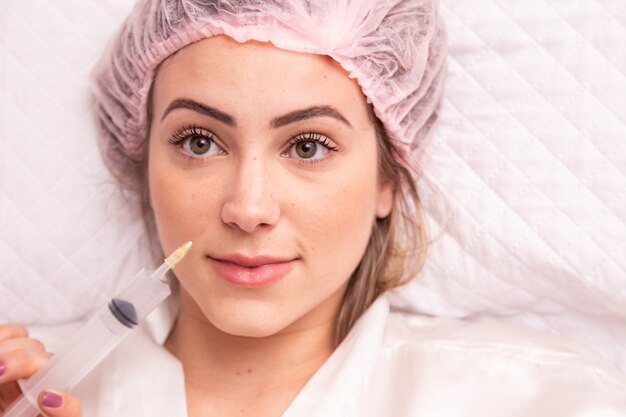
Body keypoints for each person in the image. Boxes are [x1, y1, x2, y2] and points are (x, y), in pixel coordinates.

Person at [1, 1, 625, 416]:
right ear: (144, 166)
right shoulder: (28, 391)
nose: (248, 208)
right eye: (198, 141)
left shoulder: (545, 398)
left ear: (388, 178)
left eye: (307, 145)